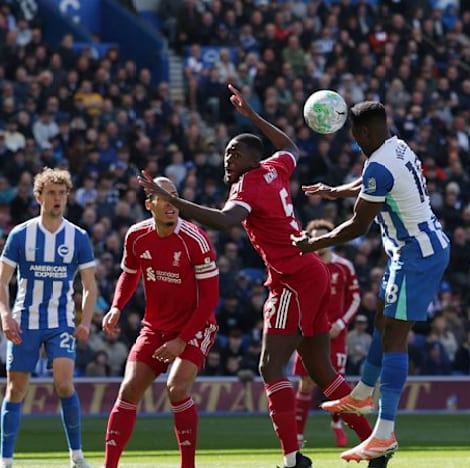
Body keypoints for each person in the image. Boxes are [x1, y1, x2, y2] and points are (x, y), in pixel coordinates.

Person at [139, 84, 377, 468]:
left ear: (253, 157)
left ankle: (291, 459)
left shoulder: (248, 184)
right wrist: (251, 116)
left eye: (235, 151)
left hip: (293, 279)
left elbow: (225, 221)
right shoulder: (274, 168)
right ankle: (373, 441)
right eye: (226, 152)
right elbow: (290, 147)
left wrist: (174, 202)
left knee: (270, 367)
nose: (227, 157)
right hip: (311, 272)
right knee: (321, 370)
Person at [293, 101, 450, 461]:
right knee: (381, 319)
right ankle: (363, 392)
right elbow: (372, 183)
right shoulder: (395, 146)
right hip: (406, 251)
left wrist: (312, 243)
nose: (353, 141)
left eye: (353, 135)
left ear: (364, 133)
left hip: (419, 255)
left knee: (395, 335)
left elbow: (357, 226)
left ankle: (384, 433)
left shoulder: (379, 164)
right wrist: (337, 191)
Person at [101, 177, 220, 468]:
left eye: (175, 196)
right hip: (154, 327)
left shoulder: (195, 239)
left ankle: (187, 465)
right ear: (149, 204)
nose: (171, 203)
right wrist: (117, 307)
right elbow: (130, 274)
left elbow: (209, 299)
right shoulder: (136, 236)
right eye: (163, 197)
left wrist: (182, 340)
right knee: (129, 390)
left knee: (176, 389)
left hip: (195, 326)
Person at [0, 168, 97, 468]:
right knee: (16, 390)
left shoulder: (77, 236)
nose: (57, 198)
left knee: (64, 384)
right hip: (25, 321)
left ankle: (76, 456)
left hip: (61, 322)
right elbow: (1, 282)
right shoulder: (20, 234)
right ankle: (6, 460)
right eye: (51, 193)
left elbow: (89, 286)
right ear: (39, 197)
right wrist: (5, 315)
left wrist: (86, 321)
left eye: (62, 193)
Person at [292, 219, 362, 449]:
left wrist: (341, 324)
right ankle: (298, 437)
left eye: (325, 237)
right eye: (315, 237)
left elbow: (356, 298)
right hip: (308, 333)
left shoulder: (344, 266)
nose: (320, 243)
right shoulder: (302, 263)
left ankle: (337, 424)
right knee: (306, 383)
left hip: (335, 333)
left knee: (335, 383)